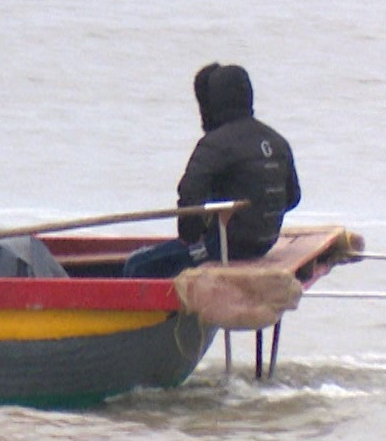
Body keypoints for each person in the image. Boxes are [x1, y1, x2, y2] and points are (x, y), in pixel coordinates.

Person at [122, 63, 302, 279]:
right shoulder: (278, 141)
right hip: (264, 243)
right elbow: (293, 198)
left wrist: (191, 237)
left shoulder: (215, 144)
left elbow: (190, 194)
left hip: (224, 247)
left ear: (215, 99)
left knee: (137, 265)